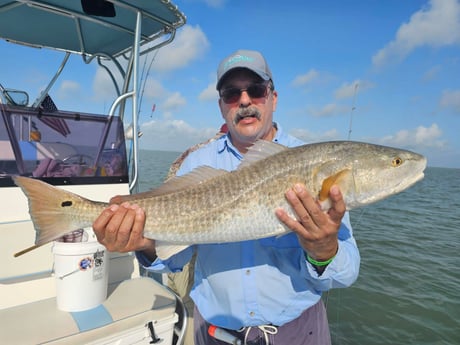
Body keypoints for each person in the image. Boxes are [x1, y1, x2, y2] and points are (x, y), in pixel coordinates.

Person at [93, 49, 360, 345]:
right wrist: (144, 244)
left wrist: (324, 251)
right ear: (222, 106)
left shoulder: (316, 164)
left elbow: (346, 272)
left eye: (256, 90)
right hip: (216, 335)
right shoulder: (196, 163)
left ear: (273, 97)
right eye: (232, 94)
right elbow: (174, 258)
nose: (244, 101)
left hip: (298, 333)